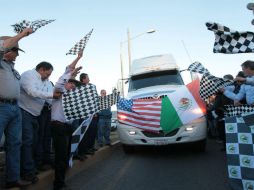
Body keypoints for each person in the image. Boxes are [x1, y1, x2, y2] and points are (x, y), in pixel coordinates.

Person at [0, 28, 34, 189]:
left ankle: (13, 178)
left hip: (14, 108)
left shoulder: (13, 69)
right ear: (6, 48)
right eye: (15, 50)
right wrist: (22, 35)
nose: (17, 54)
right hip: (1, 107)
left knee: (15, 144)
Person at [19, 62, 62, 183]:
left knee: (35, 141)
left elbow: (49, 98)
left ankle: (32, 166)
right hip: (25, 111)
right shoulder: (29, 75)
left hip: (36, 114)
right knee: (27, 142)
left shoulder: (46, 82)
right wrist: (52, 95)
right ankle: (26, 171)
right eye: (47, 74)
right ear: (42, 70)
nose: (48, 77)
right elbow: (32, 92)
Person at [51, 52, 83, 190]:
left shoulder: (73, 97)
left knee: (67, 154)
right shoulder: (59, 91)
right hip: (58, 126)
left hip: (68, 127)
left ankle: (62, 178)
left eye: (74, 85)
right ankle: (58, 184)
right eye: (70, 83)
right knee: (61, 155)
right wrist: (78, 58)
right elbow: (64, 75)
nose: (72, 86)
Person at [76, 73, 99, 157]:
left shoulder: (92, 87)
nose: (89, 79)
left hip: (93, 114)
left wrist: (95, 112)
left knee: (93, 132)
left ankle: (90, 147)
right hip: (83, 115)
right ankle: (84, 150)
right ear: (83, 79)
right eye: (88, 78)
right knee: (85, 133)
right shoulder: (78, 88)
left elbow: (95, 100)